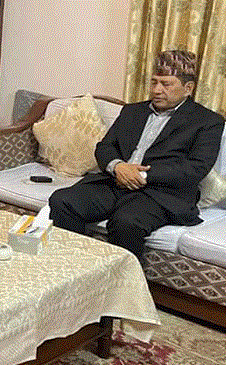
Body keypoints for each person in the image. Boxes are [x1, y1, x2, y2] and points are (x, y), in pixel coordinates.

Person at [49, 50, 224, 258]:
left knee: (126, 222)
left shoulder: (207, 121)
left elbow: (195, 168)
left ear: (188, 88)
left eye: (166, 84)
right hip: (115, 182)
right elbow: (105, 147)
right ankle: (72, 264)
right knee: (62, 200)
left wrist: (139, 175)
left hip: (160, 194)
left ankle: (125, 279)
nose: (157, 90)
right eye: (154, 82)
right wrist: (118, 167)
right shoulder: (132, 111)